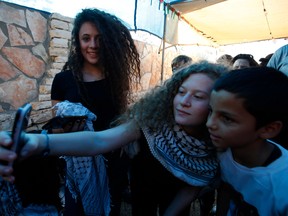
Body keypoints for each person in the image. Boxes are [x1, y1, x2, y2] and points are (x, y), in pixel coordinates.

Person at [0, 61, 229, 216]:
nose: (184, 101)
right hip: (143, 192)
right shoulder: (154, 121)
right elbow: (99, 141)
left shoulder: (219, 143)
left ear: (216, 105)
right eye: (180, 91)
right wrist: (39, 142)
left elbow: (192, 187)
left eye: (198, 96)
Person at [50, 8, 141, 216]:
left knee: (109, 209)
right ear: (78, 41)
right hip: (78, 162)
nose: (93, 45)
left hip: (112, 162)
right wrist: (67, 128)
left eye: (100, 38)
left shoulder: (116, 78)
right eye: (86, 38)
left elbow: (121, 115)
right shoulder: (62, 80)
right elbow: (56, 128)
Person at [206, 67, 288, 215]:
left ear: (268, 129)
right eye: (210, 111)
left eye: (227, 119)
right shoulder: (224, 151)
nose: (210, 124)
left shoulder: (282, 185)